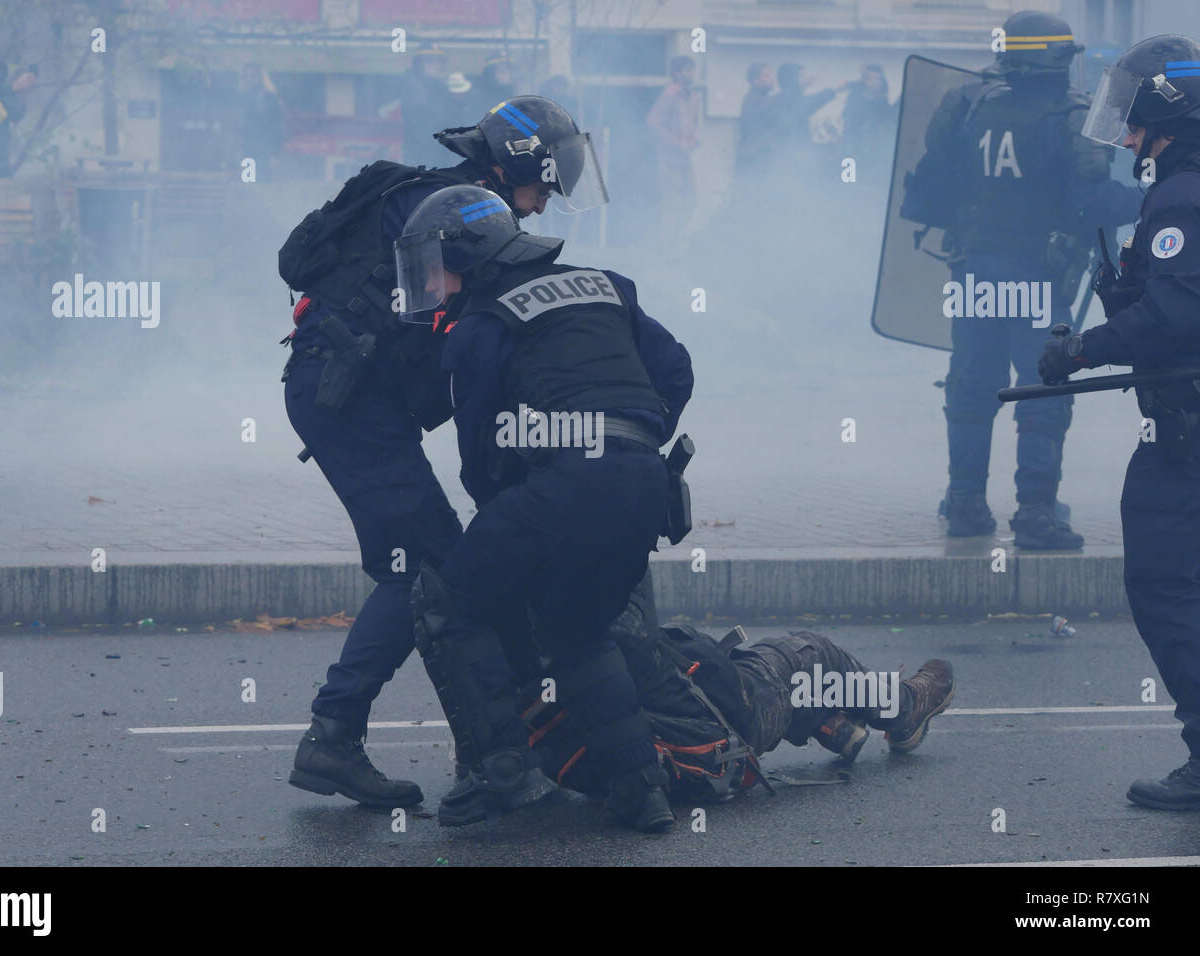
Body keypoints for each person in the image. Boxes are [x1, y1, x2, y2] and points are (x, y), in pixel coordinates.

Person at [279, 98, 609, 809]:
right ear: (515, 166)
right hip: (348, 398)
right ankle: (338, 737)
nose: (545, 202)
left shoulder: (447, 199)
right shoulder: (459, 212)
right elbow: (470, 325)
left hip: (351, 396)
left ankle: (478, 744)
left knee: (426, 567)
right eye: (544, 185)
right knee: (424, 570)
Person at [395, 185, 694, 831]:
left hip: (564, 486)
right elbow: (675, 370)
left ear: (470, 258)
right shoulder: (607, 284)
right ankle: (642, 792)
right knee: (579, 632)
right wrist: (634, 442)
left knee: (449, 602)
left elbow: (479, 450)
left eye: (435, 267)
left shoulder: (478, 326)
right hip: (644, 482)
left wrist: (513, 515)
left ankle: (501, 770)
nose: (432, 284)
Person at [1039, 33, 1200, 810]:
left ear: (1165, 112)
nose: (1127, 136)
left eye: (1133, 121)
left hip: (1188, 431)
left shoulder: (1182, 193)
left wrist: (1083, 350)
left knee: (1165, 584)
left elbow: (1177, 315)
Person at [922, 10, 1139, 547]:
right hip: (1037, 281)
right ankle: (1036, 512)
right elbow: (1093, 202)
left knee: (971, 387)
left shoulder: (969, 105)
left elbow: (933, 179)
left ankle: (966, 504)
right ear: (1057, 59)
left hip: (974, 273)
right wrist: (1151, 199)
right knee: (1045, 387)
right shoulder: (1073, 116)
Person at [525, 587, 957, 801]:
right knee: (811, 653)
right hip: (729, 727)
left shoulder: (523, 673)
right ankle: (903, 708)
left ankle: (824, 719)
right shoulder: (599, 617)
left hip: (670, 770)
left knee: (757, 676)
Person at [646, 56, 701, 240]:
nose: (691, 73)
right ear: (677, 73)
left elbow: (692, 124)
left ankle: (678, 239)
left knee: (692, 200)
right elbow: (653, 122)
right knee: (671, 202)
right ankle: (665, 244)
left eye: (692, 69)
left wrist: (694, 139)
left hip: (685, 157)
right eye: (687, 70)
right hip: (670, 158)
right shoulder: (670, 94)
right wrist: (675, 142)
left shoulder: (692, 96)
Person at [735, 62, 776, 182]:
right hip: (755, 157)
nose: (771, 79)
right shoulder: (754, 101)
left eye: (771, 75)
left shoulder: (764, 99)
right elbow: (754, 131)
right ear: (755, 80)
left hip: (759, 155)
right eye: (766, 76)